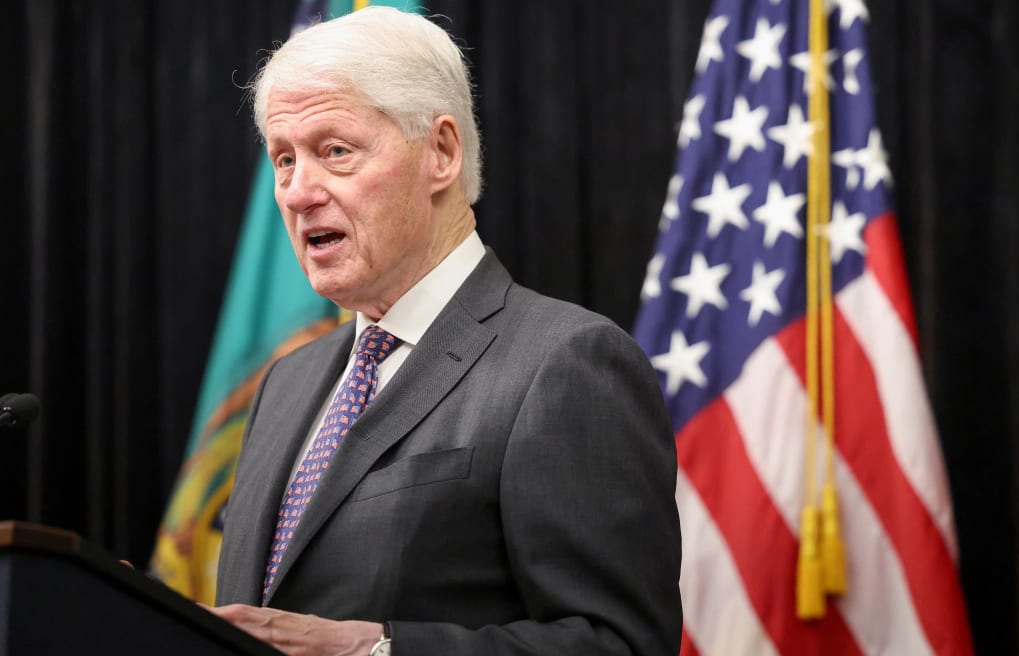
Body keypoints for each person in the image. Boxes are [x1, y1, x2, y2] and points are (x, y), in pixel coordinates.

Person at [210, 7, 682, 655]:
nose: (296, 192)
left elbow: (620, 644)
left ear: (441, 152)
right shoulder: (285, 383)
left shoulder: (566, 363)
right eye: (284, 159)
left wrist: (375, 652)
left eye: (335, 151)